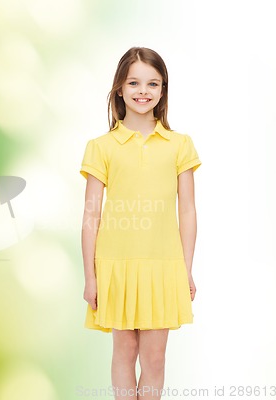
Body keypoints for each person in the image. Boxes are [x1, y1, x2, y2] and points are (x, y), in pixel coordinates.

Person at [80, 47, 201, 400]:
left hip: (163, 266)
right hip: (115, 265)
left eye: (152, 83)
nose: (142, 91)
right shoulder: (101, 147)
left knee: (154, 357)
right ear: (119, 87)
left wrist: (186, 269)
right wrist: (91, 275)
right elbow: (91, 215)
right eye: (133, 82)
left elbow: (188, 210)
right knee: (124, 352)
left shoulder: (179, 145)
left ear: (163, 90)